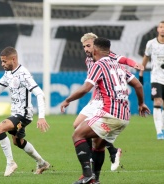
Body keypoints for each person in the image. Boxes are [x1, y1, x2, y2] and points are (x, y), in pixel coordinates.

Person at [61, 37, 150, 184]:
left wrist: (68, 100)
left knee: (78, 134)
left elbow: (86, 88)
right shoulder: (119, 66)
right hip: (124, 117)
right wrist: (141, 104)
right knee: (99, 146)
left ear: (95, 50)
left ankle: (87, 175)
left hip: (110, 113)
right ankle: (95, 179)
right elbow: (138, 85)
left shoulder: (99, 65)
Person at [0, 46, 50, 176]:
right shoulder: (8, 73)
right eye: (1, 61)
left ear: (13, 59)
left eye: (5, 61)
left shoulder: (24, 75)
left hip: (23, 115)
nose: (2, 64)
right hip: (16, 114)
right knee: (18, 142)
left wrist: (42, 117)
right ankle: (42, 162)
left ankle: (10, 163)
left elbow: (40, 94)